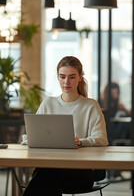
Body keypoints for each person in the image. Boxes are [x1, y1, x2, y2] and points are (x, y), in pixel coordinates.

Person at [22, 56, 108, 196]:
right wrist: (30, 139)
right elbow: (31, 135)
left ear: (80, 77)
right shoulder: (48, 103)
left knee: (45, 175)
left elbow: (102, 139)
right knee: (48, 174)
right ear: (57, 77)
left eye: (72, 77)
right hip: (50, 167)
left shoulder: (91, 105)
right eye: (62, 77)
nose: (66, 82)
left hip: (80, 172)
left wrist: (81, 141)